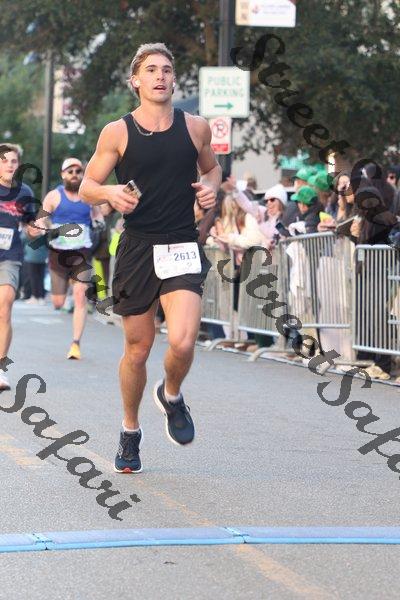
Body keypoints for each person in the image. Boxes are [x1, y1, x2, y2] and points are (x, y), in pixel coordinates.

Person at [79, 42, 221, 473]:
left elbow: (212, 169)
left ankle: (171, 394)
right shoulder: (117, 132)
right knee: (138, 350)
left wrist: (210, 190)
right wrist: (109, 192)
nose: (160, 76)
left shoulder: (195, 128)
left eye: (167, 69)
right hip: (138, 247)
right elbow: (87, 186)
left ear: (174, 79)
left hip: (181, 244)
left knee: (182, 340)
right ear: (136, 81)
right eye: (152, 70)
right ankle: (130, 429)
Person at [31, 158, 101, 360]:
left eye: (78, 171)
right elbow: (41, 219)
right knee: (58, 302)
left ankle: (75, 344)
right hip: (58, 254)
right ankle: (68, 288)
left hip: (81, 253)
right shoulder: (54, 196)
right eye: (70, 171)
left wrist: (99, 223)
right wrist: (43, 229)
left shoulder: (88, 196)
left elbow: (98, 217)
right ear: (63, 174)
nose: (74, 175)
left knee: (80, 295)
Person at [0, 143, 35, 390]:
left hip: (10, 255)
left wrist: (37, 229)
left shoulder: (25, 192)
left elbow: (30, 226)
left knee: (5, 306)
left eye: (13, 161)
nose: (9, 165)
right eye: (4, 161)